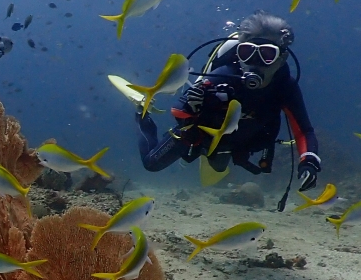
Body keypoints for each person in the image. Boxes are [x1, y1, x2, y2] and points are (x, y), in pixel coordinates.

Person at [136, 10, 320, 191]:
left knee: (219, 165)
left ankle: (209, 157)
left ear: (282, 59)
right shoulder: (224, 74)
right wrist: (192, 106)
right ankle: (142, 114)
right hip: (201, 136)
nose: (254, 62)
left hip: (237, 143)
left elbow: (304, 130)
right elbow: (178, 110)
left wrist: (309, 161)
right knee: (151, 164)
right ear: (238, 55)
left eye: (267, 54)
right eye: (247, 52)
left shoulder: (284, 86)